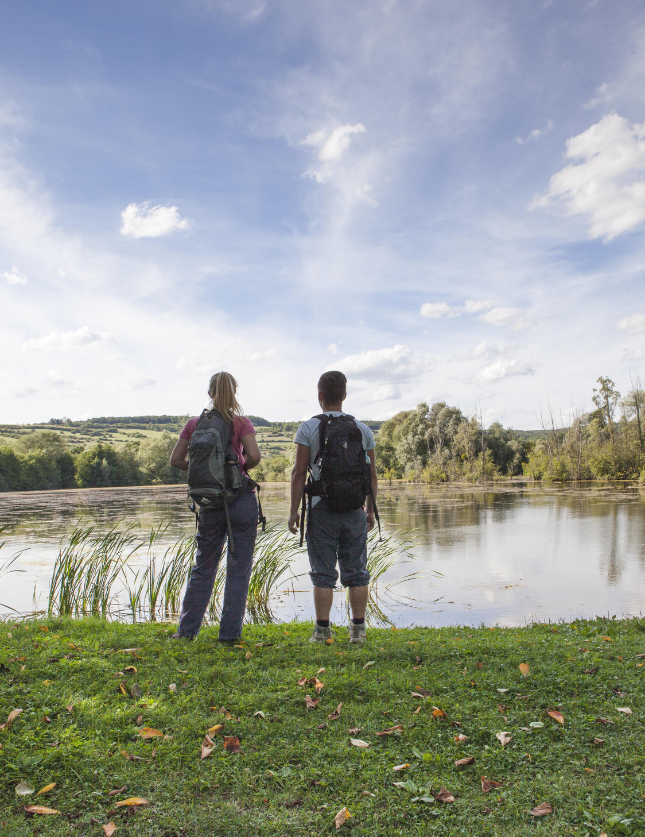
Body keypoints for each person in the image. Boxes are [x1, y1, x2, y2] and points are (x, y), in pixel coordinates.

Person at [169, 372, 262, 642]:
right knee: (238, 568)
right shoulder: (241, 423)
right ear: (234, 393)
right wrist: (237, 469)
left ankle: (186, 633)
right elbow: (254, 456)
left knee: (203, 567)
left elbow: (176, 460)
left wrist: (203, 471)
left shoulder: (194, 424)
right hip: (240, 500)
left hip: (210, 502)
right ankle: (229, 636)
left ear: (210, 393)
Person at [288, 371, 377, 644]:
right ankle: (358, 631)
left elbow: (298, 473)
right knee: (357, 571)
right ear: (345, 396)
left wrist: (294, 512)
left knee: (323, 573)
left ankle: (322, 632)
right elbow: (372, 476)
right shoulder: (363, 430)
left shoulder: (308, 428)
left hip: (320, 509)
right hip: (354, 509)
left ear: (320, 396)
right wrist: (370, 511)